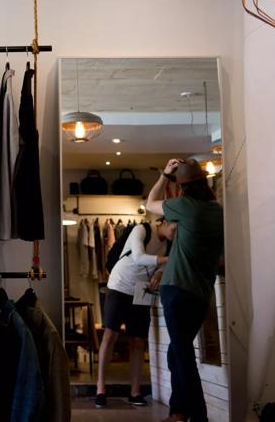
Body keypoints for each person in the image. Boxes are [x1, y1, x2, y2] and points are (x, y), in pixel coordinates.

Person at [146, 158, 224, 422]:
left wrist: (164, 175)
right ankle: (178, 411)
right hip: (201, 294)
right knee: (177, 351)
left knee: (183, 355)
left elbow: (149, 204)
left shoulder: (182, 206)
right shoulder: (218, 211)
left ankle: (198, 416)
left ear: (182, 188)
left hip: (176, 288)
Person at [95, 217, 176, 409]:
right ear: (164, 221)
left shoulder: (169, 245)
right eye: (175, 226)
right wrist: (166, 260)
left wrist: (159, 272)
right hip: (120, 283)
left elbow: (162, 267)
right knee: (110, 335)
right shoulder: (142, 229)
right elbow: (139, 257)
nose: (176, 231)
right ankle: (100, 388)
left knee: (138, 340)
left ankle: (135, 391)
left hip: (143, 288)